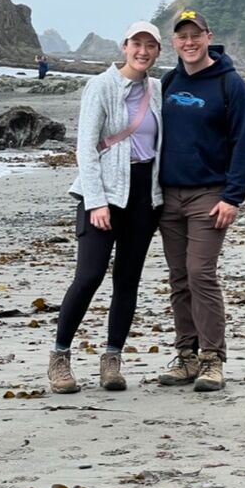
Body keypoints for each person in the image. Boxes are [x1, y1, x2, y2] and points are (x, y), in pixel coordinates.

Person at [48, 21, 164, 393]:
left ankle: (112, 360)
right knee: (89, 276)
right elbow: (85, 148)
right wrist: (97, 202)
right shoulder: (100, 86)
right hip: (103, 193)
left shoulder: (158, 89)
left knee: (127, 280)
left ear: (158, 52)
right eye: (136, 44)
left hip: (144, 194)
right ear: (124, 47)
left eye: (150, 46)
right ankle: (60, 357)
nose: (142, 51)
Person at [158, 9, 245, 393]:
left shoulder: (230, 85)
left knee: (201, 274)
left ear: (208, 36)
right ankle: (186, 356)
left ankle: (213, 358)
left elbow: (243, 143)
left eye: (195, 35)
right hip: (168, 196)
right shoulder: (168, 81)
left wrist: (233, 197)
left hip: (210, 195)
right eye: (182, 36)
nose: (189, 42)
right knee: (180, 278)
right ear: (174, 42)